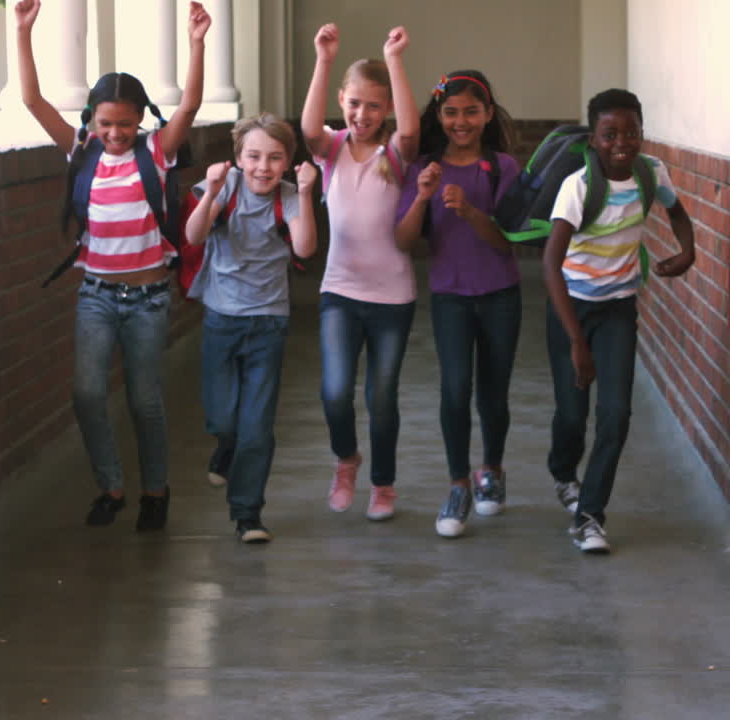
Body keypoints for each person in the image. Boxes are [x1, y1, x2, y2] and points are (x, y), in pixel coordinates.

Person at [14, 0, 210, 530]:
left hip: (147, 301)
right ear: (92, 120)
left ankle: (155, 490)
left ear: (141, 120)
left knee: (145, 401)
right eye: (106, 123)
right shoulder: (82, 151)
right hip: (96, 294)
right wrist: (23, 31)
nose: (116, 133)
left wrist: (195, 44)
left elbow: (189, 105)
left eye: (125, 124)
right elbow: (31, 100)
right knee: (87, 394)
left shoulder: (156, 152)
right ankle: (112, 486)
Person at [542, 89, 696, 554]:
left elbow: (678, 213)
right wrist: (576, 342)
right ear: (594, 139)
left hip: (618, 308)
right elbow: (551, 265)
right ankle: (563, 472)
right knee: (573, 411)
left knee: (616, 412)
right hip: (570, 306)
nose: (621, 143)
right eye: (610, 134)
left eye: (631, 132)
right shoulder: (579, 187)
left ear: (642, 134)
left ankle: (589, 515)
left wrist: (687, 252)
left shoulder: (652, 174)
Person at [300, 23, 420, 521]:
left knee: (383, 397)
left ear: (386, 109)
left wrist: (394, 61)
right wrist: (325, 59)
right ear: (342, 102)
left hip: (392, 298)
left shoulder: (395, 155)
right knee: (334, 391)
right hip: (340, 292)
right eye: (353, 104)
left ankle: (384, 484)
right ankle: (346, 458)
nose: (362, 115)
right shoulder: (330, 150)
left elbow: (411, 131)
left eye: (373, 106)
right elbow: (307, 129)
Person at [394, 70, 520, 538]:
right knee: (454, 389)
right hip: (450, 295)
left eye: (471, 111)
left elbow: (507, 242)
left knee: (493, 391)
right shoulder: (423, 167)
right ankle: (458, 484)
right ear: (438, 115)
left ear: (488, 114)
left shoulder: (502, 167)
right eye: (451, 112)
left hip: (500, 293)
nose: (460, 121)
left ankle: (492, 470)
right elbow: (404, 240)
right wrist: (422, 197)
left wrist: (468, 210)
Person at [184, 114, 317, 544]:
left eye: (275, 158)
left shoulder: (290, 197)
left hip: (269, 324)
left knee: (257, 425)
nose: (264, 167)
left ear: (288, 162)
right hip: (222, 320)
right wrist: (214, 193)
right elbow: (194, 235)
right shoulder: (224, 189)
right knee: (224, 417)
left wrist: (309, 193)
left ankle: (248, 514)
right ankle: (225, 446)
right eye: (254, 156)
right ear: (238, 158)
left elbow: (305, 248)